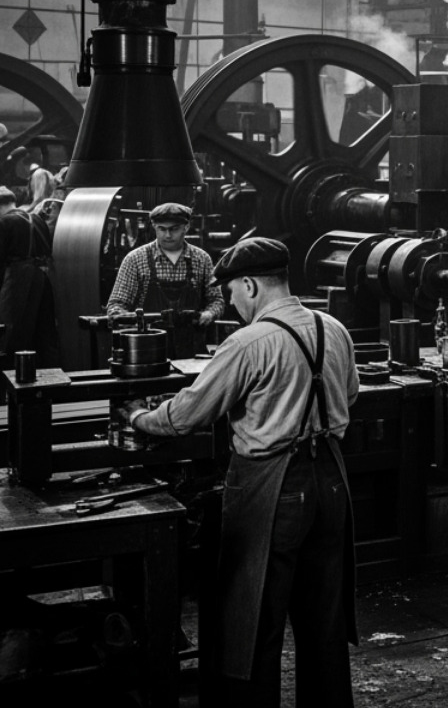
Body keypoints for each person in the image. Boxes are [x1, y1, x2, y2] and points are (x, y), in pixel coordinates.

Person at [120, 238, 358, 707]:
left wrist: (137, 418)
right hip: (332, 480)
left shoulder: (248, 342)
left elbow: (188, 414)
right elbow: (348, 396)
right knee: (323, 620)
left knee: (254, 620)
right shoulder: (334, 328)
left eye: (231, 291)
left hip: (273, 487)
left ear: (249, 284)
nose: (230, 302)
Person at [106, 202, 224, 358]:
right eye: (162, 229)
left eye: (174, 229)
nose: (168, 235)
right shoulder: (135, 260)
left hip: (192, 350)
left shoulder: (202, 259)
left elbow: (217, 300)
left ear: (186, 227)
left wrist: (208, 314)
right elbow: (115, 306)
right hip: (148, 349)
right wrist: (137, 323)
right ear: (154, 226)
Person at [0, 186, 61, 367]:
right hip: (43, 278)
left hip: (19, 281)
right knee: (44, 332)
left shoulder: (3, 223)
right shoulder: (38, 219)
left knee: (11, 334)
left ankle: (10, 382)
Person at [8, 145, 57, 210]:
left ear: (21, 162)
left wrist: (23, 213)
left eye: (15, 165)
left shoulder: (39, 174)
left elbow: (39, 201)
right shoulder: (35, 175)